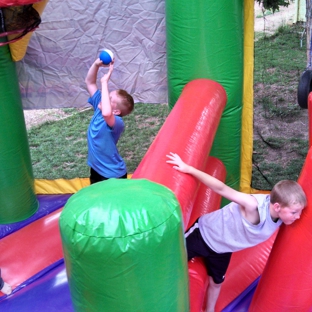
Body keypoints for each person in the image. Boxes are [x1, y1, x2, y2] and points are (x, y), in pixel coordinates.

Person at [166, 152, 307, 312]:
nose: (298, 216)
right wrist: (189, 168)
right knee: (173, 262)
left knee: (217, 282)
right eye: (294, 212)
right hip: (204, 235)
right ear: (277, 207)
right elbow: (221, 188)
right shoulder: (252, 206)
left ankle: (210, 310)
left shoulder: (282, 216)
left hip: (223, 249)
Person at [85, 57, 134, 184]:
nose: (104, 96)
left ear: (116, 112)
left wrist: (104, 83)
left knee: (115, 204)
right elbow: (89, 82)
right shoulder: (99, 107)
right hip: (96, 169)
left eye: (108, 97)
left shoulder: (117, 122)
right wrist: (96, 65)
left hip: (112, 174)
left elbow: (107, 113)